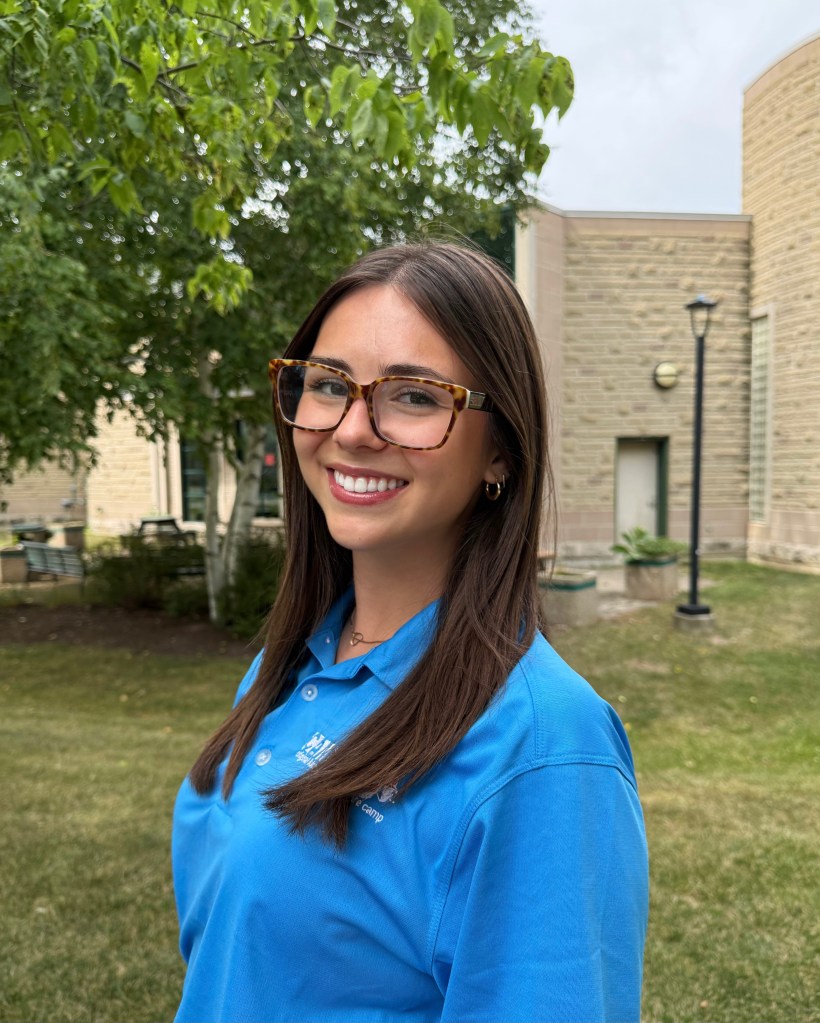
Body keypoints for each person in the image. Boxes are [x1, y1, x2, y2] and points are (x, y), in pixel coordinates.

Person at [172, 242, 649, 1023]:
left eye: (415, 396)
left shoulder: (543, 748)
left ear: (501, 450)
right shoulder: (284, 669)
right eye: (329, 384)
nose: (354, 429)